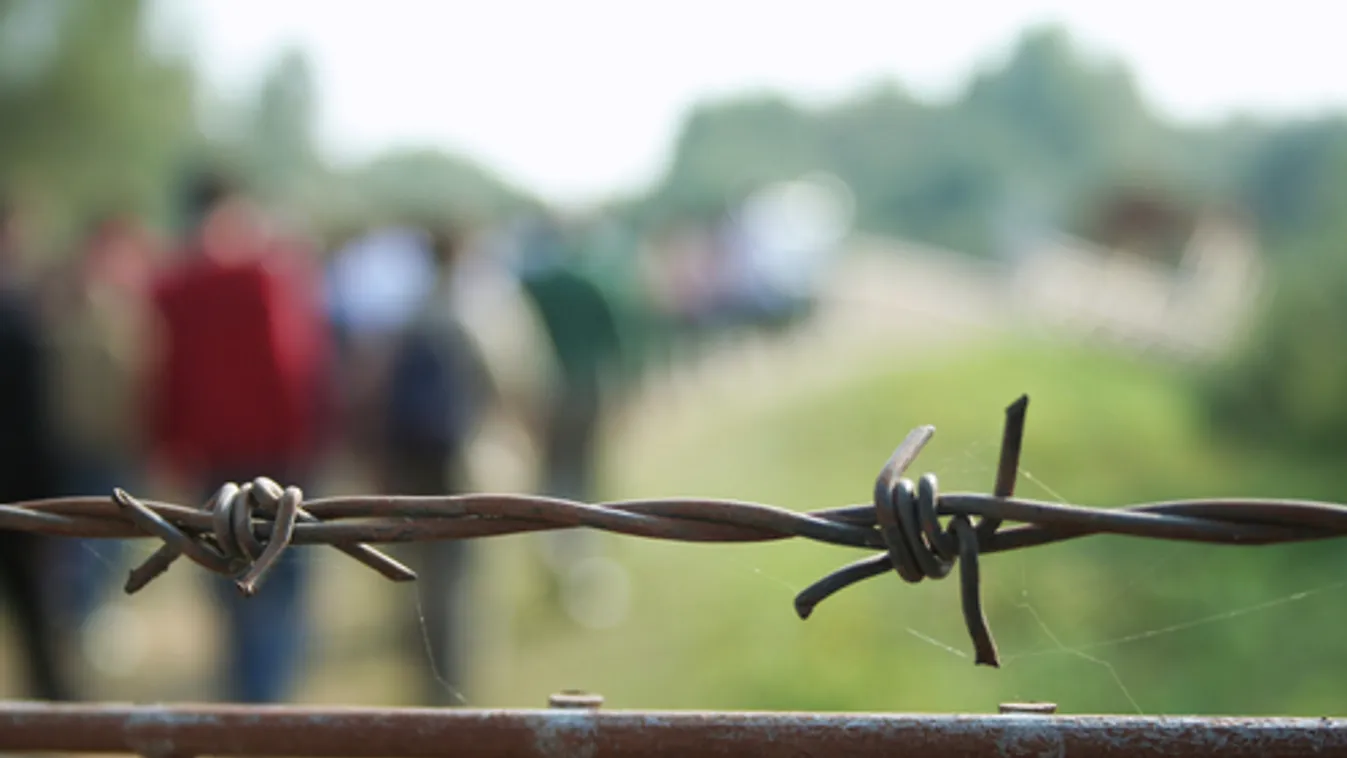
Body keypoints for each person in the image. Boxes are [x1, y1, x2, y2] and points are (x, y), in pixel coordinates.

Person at [143, 171, 331, 703]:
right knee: (284, 573)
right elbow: (290, 364)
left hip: (211, 453)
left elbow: (164, 375)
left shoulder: (174, 281)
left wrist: (167, 442)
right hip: (279, 453)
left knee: (227, 569)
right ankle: (266, 694)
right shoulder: (269, 272)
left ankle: (248, 686)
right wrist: (309, 436)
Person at [380, 225, 493, 704]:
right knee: (456, 573)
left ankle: (423, 666)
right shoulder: (477, 312)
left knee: (414, 563)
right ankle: (451, 677)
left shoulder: (408, 313)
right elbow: (501, 380)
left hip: (409, 459)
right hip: (458, 458)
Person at [43, 213, 157, 643]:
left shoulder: (117, 308)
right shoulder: (81, 310)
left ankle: (85, 612)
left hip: (111, 441)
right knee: (91, 534)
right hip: (87, 442)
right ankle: (80, 613)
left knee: (108, 534)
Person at [0, 196, 71, 700]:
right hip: (19, 495)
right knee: (35, 614)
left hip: (19, 490)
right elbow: (38, 418)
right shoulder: (19, 318)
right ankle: (58, 711)